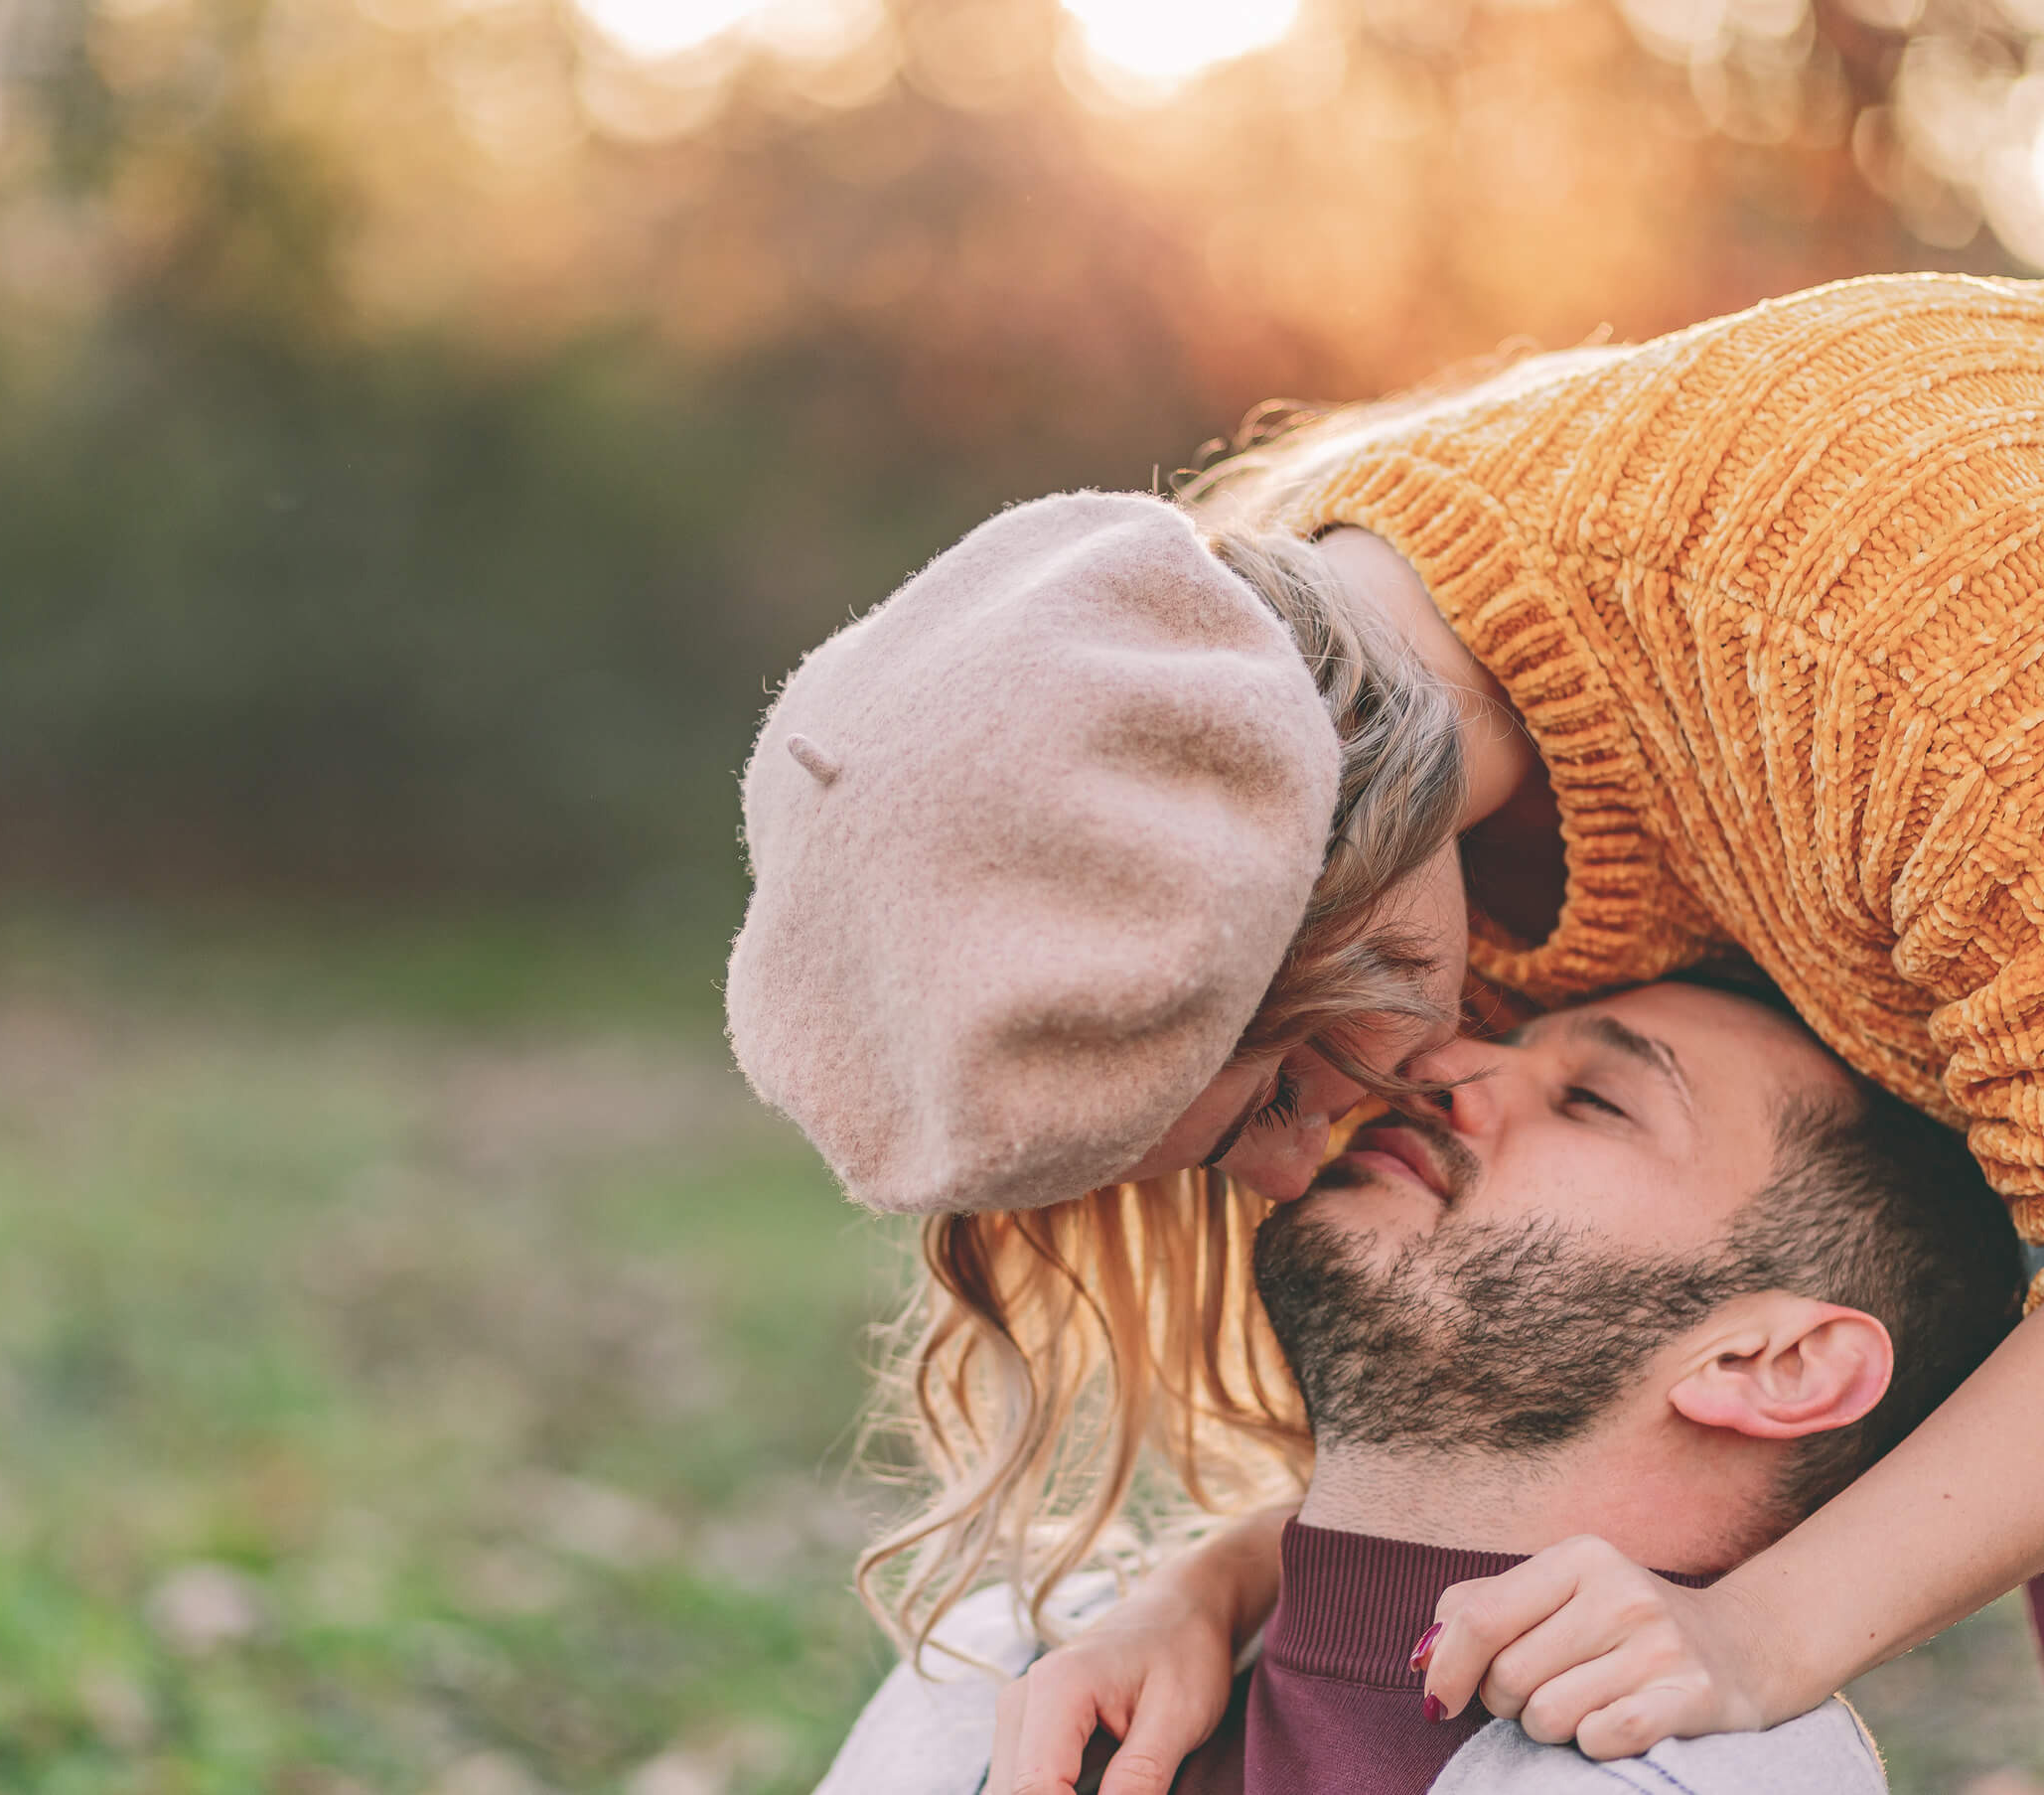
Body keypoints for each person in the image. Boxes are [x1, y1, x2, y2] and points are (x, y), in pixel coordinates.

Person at [725, 270, 2044, 1790]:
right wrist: (1231, 1590)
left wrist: (1763, 1630)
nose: (1301, 1168)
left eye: (1280, 1092)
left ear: (1323, 890)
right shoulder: (1313, 731)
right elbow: (1544, 1390)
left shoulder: (1934, 669)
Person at [812, 980, 2024, 1793]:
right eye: (1504, 1039)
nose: (1441, 1068)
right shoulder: (1009, 1674)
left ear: (1776, 1363)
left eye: (1593, 1099)